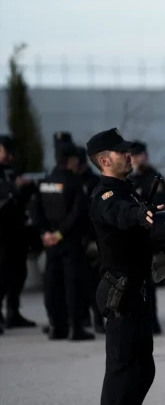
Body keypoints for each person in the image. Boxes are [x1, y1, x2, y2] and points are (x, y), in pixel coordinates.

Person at [86, 127, 165, 405]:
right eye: (122, 152)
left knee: (143, 369)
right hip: (120, 293)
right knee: (122, 371)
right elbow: (122, 216)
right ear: (104, 161)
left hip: (138, 290)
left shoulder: (129, 191)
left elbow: (142, 229)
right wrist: (139, 214)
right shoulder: (107, 197)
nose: (129, 156)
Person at [31, 143, 95, 341]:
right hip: (69, 242)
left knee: (52, 285)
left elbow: (35, 211)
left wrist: (45, 233)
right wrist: (60, 234)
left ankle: (56, 326)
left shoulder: (45, 181)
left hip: (50, 243)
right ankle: (75, 328)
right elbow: (78, 213)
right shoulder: (74, 183)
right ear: (71, 161)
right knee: (72, 286)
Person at [128, 140, 165, 334]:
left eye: (138, 155)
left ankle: (152, 321)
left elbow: (159, 204)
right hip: (131, 236)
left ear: (145, 155)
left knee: (148, 282)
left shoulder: (155, 179)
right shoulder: (130, 179)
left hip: (148, 235)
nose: (135, 159)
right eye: (132, 156)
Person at [0, 135, 37, 333]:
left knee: (18, 273)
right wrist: (15, 188)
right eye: (6, 151)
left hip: (16, 230)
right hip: (2, 233)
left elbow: (21, 199)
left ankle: (13, 313)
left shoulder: (12, 171)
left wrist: (27, 186)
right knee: (2, 273)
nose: (9, 156)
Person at [77, 145, 105, 333]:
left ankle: (97, 320)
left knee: (96, 282)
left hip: (94, 241)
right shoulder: (72, 181)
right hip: (76, 241)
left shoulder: (95, 182)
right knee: (79, 284)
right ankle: (82, 318)